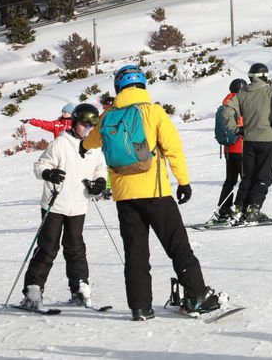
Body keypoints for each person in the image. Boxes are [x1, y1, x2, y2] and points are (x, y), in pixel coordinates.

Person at [81, 64, 224, 320]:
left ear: (119, 87)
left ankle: (140, 307)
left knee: (135, 253)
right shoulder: (153, 112)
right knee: (178, 246)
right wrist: (183, 181)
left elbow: (90, 142)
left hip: (125, 197)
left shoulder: (108, 116)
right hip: (156, 193)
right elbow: (173, 148)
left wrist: (82, 145)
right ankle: (197, 295)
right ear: (142, 86)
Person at [20, 103, 108, 310]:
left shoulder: (94, 147)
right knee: (48, 247)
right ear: (75, 122)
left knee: (76, 248)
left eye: (92, 126)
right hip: (55, 204)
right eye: (85, 125)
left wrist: (100, 183)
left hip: (79, 205)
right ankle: (33, 291)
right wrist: (48, 173)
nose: (88, 130)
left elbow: (100, 169)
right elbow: (40, 166)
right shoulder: (60, 143)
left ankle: (80, 289)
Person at [223, 62, 272, 224]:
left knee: (248, 176)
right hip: (267, 139)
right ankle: (254, 209)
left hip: (249, 140)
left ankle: (238, 208)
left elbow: (227, 110)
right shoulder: (270, 91)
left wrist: (235, 128)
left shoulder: (242, 93)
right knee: (263, 177)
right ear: (264, 75)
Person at [211, 78, 247, 224]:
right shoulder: (241, 104)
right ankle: (242, 211)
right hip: (242, 147)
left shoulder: (225, 104)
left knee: (230, 180)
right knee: (246, 180)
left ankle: (223, 210)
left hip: (228, 149)